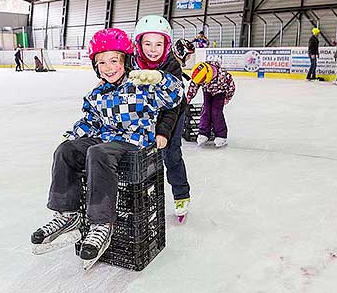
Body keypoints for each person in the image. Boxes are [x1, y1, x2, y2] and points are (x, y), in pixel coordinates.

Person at [30, 28, 183, 268]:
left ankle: (101, 223)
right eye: (101, 62)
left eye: (114, 61)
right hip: (106, 140)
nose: (108, 67)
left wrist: (161, 79)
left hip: (134, 142)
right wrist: (71, 137)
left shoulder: (141, 86)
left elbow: (175, 97)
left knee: (97, 152)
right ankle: (67, 214)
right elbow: (90, 122)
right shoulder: (97, 94)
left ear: (126, 61)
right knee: (66, 150)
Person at [133, 15, 192, 222]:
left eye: (159, 44)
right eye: (147, 43)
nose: (153, 49)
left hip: (173, 112)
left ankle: (181, 195)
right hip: (145, 112)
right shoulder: (132, 63)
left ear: (166, 45)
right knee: (141, 157)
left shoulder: (172, 65)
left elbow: (172, 106)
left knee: (171, 153)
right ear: (138, 43)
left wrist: (163, 132)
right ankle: (141, 200)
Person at [187, 61, 236, 148]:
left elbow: (231, 87)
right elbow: (194, 85)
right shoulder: (200, 72)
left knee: (216, 112)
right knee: (205, 110)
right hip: (207, 91)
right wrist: (189, 97)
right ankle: (203, 133)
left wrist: (227, 98)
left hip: (220, 93)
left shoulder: (224, 75)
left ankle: (221, 136)